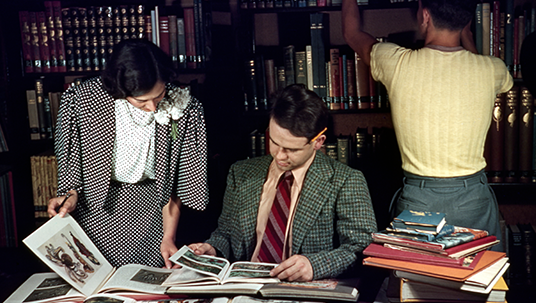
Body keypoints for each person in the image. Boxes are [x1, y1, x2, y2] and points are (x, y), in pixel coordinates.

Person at [342, 0, 513, 247]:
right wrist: (465, 34)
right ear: (467, 23)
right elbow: (483, 69)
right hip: (473, 198)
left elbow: (351, 33)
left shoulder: (395, 62)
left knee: (416, 284)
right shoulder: (492, 69)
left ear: (424, 16)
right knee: (479, 281)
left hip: (419, 200)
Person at [188, 84, 377, 282]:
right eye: (274, 142)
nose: (279, 155)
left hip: (301, 291)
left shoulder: (346, 181)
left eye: (291, 149)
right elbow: (226, 233)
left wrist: (314, 265)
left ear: (318, 142)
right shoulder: (241, 173)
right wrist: (212, 249)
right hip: (244, 286)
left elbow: (361, 248)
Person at [47, 39, 209, 268]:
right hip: (95, 210)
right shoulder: (81, 100)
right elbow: (70, 163)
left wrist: (168, 237)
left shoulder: (186, 106)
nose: (153, 108)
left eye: (159, 95)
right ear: (120, 89)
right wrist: (70, 195)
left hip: (154, 213)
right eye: (141, 101)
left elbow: (175, 184)